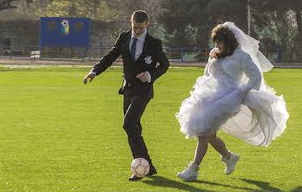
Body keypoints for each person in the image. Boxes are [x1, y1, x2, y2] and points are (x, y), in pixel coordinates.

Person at [175, 22, 288, 181]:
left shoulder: (242, 56)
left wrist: (242, 91)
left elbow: (256, 76)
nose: (217, 45)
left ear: (228, 41)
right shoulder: (215, 52)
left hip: (229, 97)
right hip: (211, 94)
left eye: (220, 42)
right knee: (210, 135)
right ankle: (229, 157)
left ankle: (193, 169)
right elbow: (208, 72)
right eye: (216, 42)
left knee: (203, 134)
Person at [84, 10, 170, 180]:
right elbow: (109, 57)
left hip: (143, 90)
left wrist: (150, 75)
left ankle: (141, 165)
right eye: (134, 27)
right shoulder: (124, 37)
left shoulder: (154, 43)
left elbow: (165, 65)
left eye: (140, 28)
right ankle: (146, 166)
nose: (136, 31)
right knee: (133, 128)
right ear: (130, 22)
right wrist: (94, 71)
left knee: (128, 124)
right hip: (128, 89)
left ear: (147, 24)